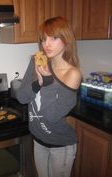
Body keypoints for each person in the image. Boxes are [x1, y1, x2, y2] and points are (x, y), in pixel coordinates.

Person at [16, 16, 82, 177]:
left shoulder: (72, 74)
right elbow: (22, 97)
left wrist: (47, 81)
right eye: (44, 39)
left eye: (54, 38)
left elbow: (52, 115)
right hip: (38, 139)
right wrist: (37, 83)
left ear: (66, 39)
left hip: (60, 145)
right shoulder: (37, 61)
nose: (47, 44)